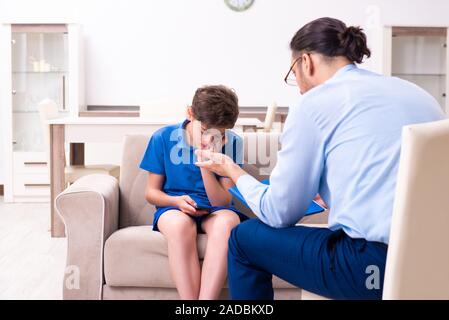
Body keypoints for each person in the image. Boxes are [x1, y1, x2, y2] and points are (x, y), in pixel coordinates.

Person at [195, 17, 447, 299]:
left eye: (293, 73)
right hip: (437, 262)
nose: (299, 86)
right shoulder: (419, 95)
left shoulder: (313, 103)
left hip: (372, 269)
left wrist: (231, 169)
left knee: (244, 239)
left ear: (306, 62)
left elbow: (279, 213)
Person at [140, 85, 248, 300]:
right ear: (190, 113)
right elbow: (151, 193)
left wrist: (207, 162)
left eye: (220, 133)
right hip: (174, 206)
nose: (212, 138)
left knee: (227, 223)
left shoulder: (233, 142)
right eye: (206, 129)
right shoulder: (162, 138)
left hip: (216, 208)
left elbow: (223, 200)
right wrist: (176, 201)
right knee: (180, 225)